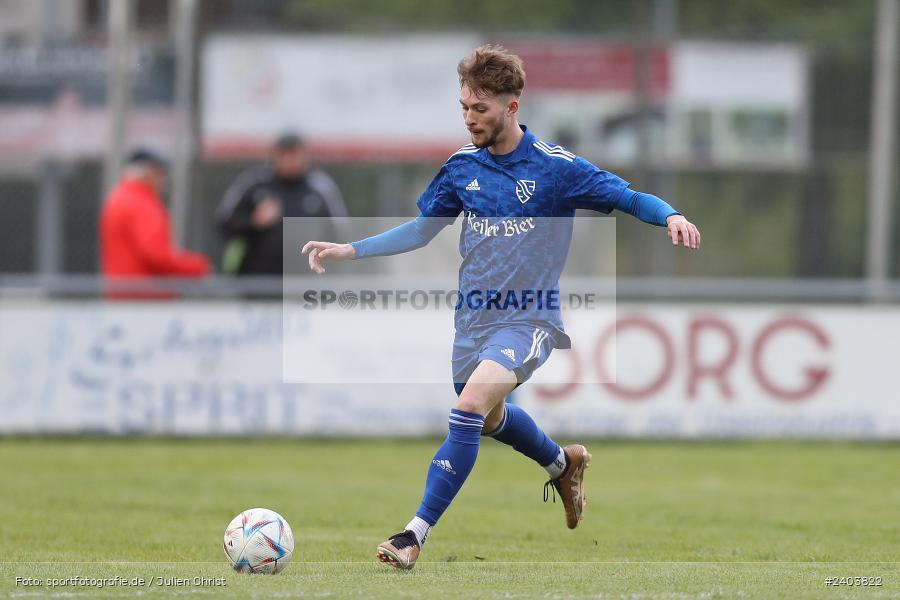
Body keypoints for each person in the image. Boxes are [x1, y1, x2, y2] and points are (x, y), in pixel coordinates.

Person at [301, 45, 701, 570]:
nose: (470, 119)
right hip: (472, 324)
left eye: (480, 109)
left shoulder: (556, 169)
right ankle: (563, 463)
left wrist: (669, 214)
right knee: (487, 419)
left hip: (529, 318)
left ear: (512, 107)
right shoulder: (461, 168)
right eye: (464, 107)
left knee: (466, 411)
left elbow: (626, 196)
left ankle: (411, 535)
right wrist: (353, 249)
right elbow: (422, 230)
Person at [215, 133, 347, 276]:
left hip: (305, 280)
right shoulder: (255, 183)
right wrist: (254, 221)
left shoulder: (319, 187)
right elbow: (223, 222)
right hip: (257, 280)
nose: (290, 161)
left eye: (295, 155)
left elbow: (339, 233)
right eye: (284, 155)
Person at [100, 149, 211, 298]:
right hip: (147, 301)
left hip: (122, 297)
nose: (163, 180)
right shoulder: (143, 204)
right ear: (148, 172)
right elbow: (156, 255)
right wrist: (197, 267)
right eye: (160, 173)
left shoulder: (118, 198)